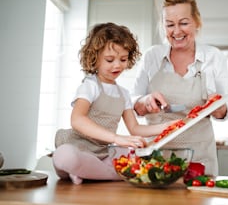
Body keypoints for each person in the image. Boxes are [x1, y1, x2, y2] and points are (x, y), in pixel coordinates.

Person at [53, 22, 173, 185]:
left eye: (123, 59)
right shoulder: (90, 86)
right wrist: (116, 138)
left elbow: (135, 128)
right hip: (77, 147)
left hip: (102, 154)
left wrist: (169, 127)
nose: (117, 65)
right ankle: (92, 171)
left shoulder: (123, 94)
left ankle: (85, 172)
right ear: (94, 59)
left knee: (139, 155)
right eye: (110, 60)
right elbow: (77, 120)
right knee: (65, 155)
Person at [131, 0, 228, 176]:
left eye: (184, 23)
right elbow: (133, 105)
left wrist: (218, 107)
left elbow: (227, 109)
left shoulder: (213, 57)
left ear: (196, 22)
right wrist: (145, 101)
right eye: (170, 24)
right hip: (156, 157)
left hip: (199, 158)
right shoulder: (152, 56)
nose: (176, 31)